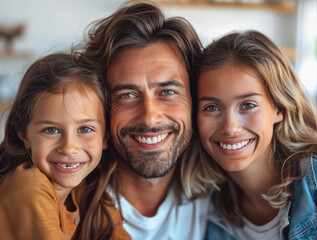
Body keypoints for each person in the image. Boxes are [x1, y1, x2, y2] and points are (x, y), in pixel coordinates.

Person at [74, 1, 212, 239]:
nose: (149, 118)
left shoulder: (225, 198)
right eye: (127, 95)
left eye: (168, 92)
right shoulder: (67, 207)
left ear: (194, 98)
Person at [195, 30, 317, 239]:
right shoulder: (206, 206)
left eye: (248, 105)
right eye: (211, 107)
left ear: (279, 107)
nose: (230, 127)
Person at [0, 53, 130, 240]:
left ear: (105, 136)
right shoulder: (27, 190)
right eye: (51, 130)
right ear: (23, 134)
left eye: (85, 129)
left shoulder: (88, 191)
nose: (69, 148)